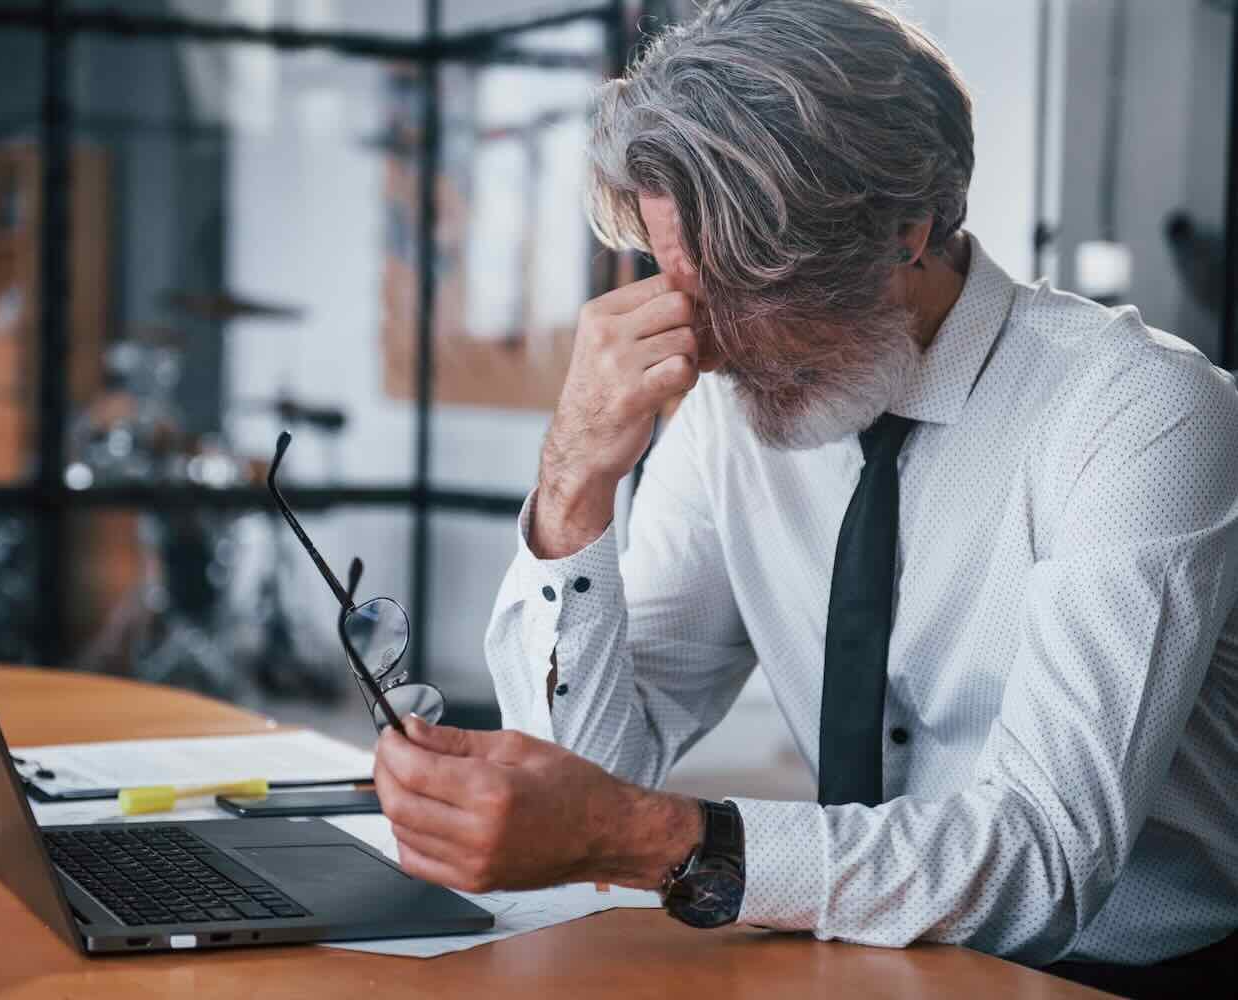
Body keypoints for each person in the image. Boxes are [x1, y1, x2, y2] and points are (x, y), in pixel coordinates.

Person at [369, 2, 1238, 996]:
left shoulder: (1142, 415)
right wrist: (576, 478)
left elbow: (1041, 861)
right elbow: (587, 781)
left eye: (742, 283)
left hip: (1123, 977)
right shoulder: (726, 403)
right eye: (668, 268)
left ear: (907, 231)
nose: (697, 332)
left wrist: (651, 833)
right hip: (844, 954)